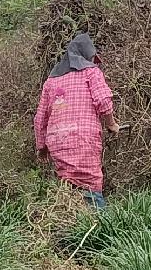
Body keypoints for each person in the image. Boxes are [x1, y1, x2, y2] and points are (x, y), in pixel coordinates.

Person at [34, 31, 118, 209]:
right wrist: (111, 124)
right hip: (83, 139)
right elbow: (103, 101)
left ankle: (70, 220)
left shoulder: (51, 81)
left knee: (68, 182)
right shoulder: (91, 72)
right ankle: (99, 225)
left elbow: (40, 118)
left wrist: (42, 147)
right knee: (90, 182)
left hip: (57, 141)